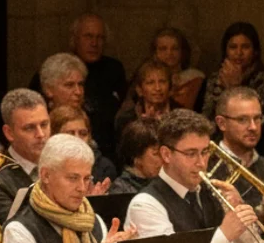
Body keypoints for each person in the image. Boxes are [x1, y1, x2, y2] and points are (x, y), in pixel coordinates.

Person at [123, 109, 261, 243]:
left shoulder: (212, 193)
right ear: (166, 154)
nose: (201, 163)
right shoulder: (145, 205)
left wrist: (241, 220)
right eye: (191, 154)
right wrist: (223, 235)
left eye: (205, 152)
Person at [4, 134, 135, 243]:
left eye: (86, 178)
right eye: (73, 178)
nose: (82, 188)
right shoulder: (19, 230)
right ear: (46, 175)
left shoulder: (93, 220)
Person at [200, 22, 264, 155]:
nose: (239, 53)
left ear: (255, 51)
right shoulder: (209, 83)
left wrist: (234, 88)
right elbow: (203, 124)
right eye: (233, 47)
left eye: (245, 47)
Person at [69, 13, 127, 155]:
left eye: (99, 37)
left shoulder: (114, 69)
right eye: (88, 36)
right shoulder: (60, 68)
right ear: (75, 39)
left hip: (108, 151)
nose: (94, 43)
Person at [0, 88, 51, 224]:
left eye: (44, 124)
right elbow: (17, 228)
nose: (40, 134)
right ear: (9, 133)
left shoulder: (61, 166)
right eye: (30, 128)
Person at [50, 105, 117, 186]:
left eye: (83, 134)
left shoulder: (104, 168)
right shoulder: (45, 165)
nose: (77, 139)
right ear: (53, 136)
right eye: (70, 133)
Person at [115, 60, 177, 140]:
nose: (157, 88)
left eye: (162, 82)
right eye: (150, 83)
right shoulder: (126, 119)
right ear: (139, 90)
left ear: (170, 87)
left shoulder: (182, 116)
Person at [150, 27, 203, 110]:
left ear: (182, 52)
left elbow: (183, 109)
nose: (169, 53)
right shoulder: (146, 78)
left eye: (175, 48)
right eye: (163, 49)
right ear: (155, 53)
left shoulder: (194, 77)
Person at [108, 119, 161, 195]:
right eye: (156, 154)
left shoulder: (164, 185)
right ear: (137, 155)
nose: (163, 159)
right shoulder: (120, 190)